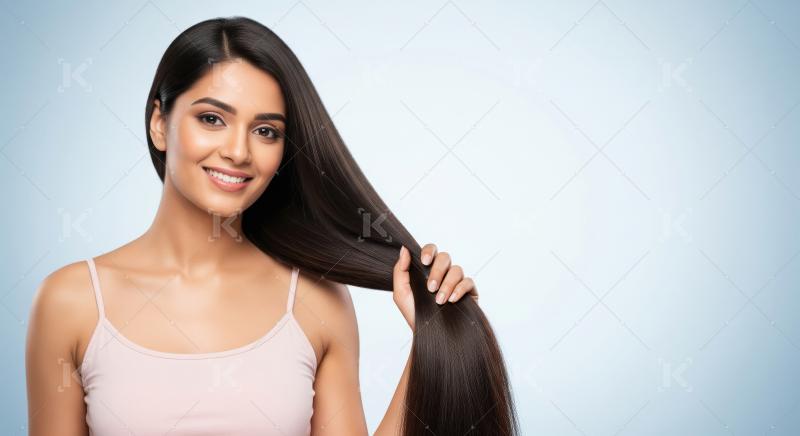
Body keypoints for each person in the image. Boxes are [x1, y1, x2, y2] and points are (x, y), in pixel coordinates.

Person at [26, 16, 518, 436]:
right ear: (160, 122)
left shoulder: (316, 302)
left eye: (266, 131)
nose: (238, 151)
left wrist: (426, 338)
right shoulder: (71, 302)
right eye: (212, 118)